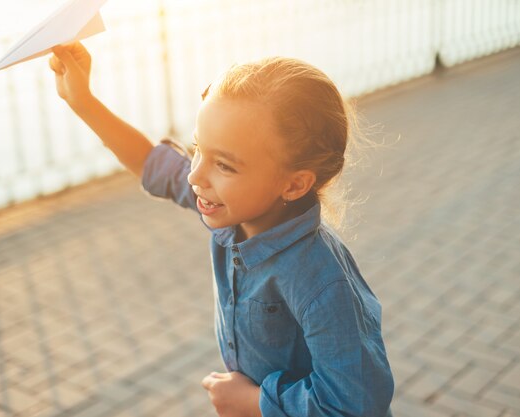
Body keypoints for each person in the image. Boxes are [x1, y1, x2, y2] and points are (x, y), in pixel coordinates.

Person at [49, 41, 395, 417]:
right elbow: (154, 166)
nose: (196, 175)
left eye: (224, 165)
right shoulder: (237, 212)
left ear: (294, 184)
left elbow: (356, 407)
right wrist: (81, 100)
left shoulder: (322, 283)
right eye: (198, 148)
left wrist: (254, 403)